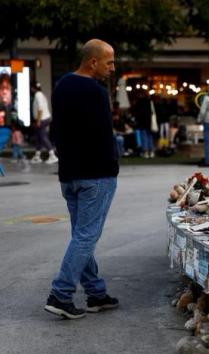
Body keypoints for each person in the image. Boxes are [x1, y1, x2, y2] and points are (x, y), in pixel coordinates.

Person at [45, 39, 119, 319]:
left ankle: (96, 293)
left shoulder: (62, 85)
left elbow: (57, 131)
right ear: (93, 62)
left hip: (70, 175)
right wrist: (112, 166)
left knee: (81, 236)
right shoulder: (96, 91)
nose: (112, 67)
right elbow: (104, 135)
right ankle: (61, 294)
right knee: (86, 236)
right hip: (96, 175)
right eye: (109, 62)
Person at [31, 82, 58, 164]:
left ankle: (52, 155)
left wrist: (38, 120)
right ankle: (37, 156)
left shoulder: (37, 95)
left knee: (43, 137)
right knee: (39, 137)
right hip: (46, 118)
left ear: (33, 88)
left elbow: (40, 108)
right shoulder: (41, 94)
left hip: (42, 119)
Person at [131, 93, 155, 158]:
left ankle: (146, 152)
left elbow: (136, 113)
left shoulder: (139, 103)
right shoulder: (149, 102)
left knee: (144, 137)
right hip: (149, 122)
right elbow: (152, 112)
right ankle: (151, 151)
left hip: (142, 123)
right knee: (149, 137)